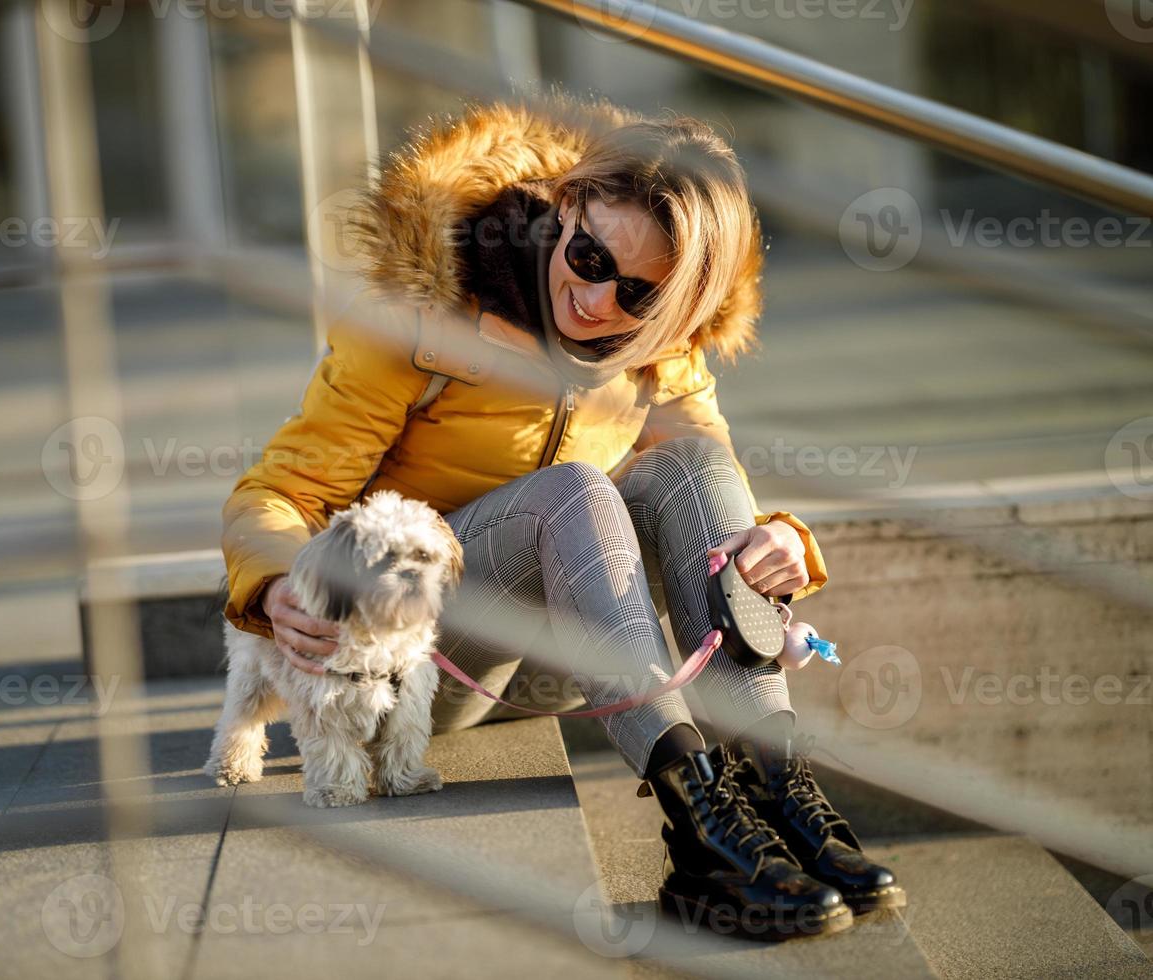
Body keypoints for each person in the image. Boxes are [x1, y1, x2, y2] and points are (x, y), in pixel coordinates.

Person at [221, 94, 903, 938]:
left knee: (693, 462)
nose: (597, 301)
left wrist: (782, 541)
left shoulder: (662, 350)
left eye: (640, 294)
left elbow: (708, 497)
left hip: (572, 657)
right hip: (419, 668)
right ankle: (704, 836)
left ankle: (777, 787)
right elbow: (277, 492)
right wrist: (280, 578)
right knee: (575, 489)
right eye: (587, 256)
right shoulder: (422, 315)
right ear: (568, 204)